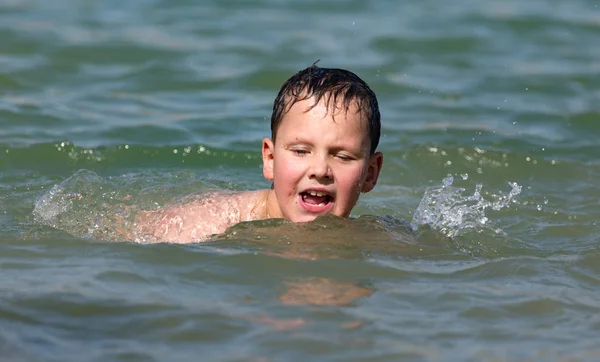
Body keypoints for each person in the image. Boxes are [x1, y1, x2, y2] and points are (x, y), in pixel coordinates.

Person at [132, 63, 384, 243]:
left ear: (370, 173)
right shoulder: (201, 227)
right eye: (300, 150)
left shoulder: (373, 240)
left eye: (342, 157)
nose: (320, 170)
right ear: (270, 159)